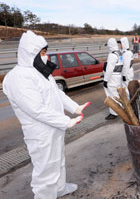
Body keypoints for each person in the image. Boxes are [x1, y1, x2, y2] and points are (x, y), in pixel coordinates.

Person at [2, 30, 90, 199]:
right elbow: (36, 109)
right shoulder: (18, 77)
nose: (46, 57)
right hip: (40, 133)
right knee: (45, 169)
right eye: (42, 53)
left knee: (58, 161)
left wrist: (75, 108)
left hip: (54, 128)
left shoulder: (39, 72)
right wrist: (66, 121)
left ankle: (59, 188)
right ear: (30, 54)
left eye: (45, 52)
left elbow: (57, 94)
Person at [103, 38, 123, 120]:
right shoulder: (119, 53)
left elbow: (110, 69)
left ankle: (114, 113)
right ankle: (120, 108)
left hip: (112, 78)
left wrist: (105, 80)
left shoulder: (112, 55)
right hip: (118, 76)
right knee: (116, 94)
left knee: (111, 95)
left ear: (110, 45)